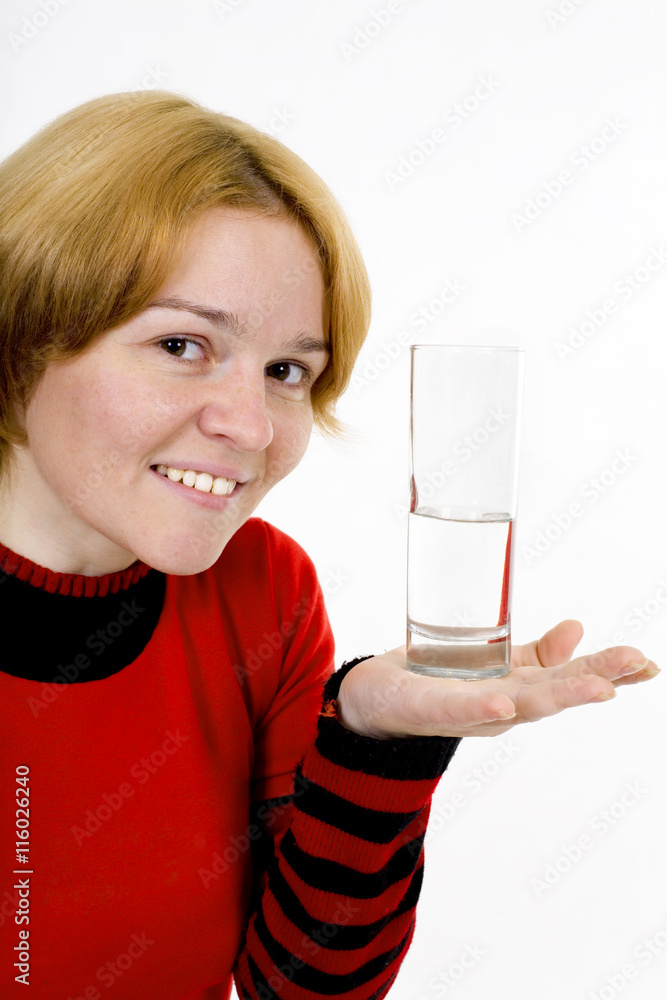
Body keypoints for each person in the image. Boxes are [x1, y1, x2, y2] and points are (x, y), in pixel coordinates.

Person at [0, 90, 658, 1000]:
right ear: (24, 335)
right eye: (183, 344)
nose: (251, 426)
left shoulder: (262, 588)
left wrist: (372, 741)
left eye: (286, 371)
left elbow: (301, 991)